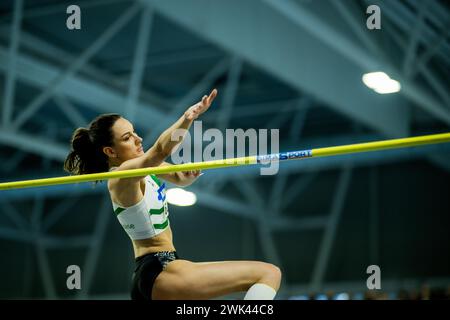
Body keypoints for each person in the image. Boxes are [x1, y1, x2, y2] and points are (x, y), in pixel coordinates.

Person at [63, 89, 281, 300]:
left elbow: (177, 176)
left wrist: (186, 178)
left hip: (153, 274)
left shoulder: (141, 170)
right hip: (161, 269)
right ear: (110, 152)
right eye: (128, 138)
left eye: (135, 132)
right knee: (268, 273)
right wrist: (187, 118)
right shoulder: (122, 176)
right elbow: (159, 152)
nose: (138, 139)